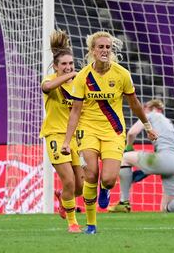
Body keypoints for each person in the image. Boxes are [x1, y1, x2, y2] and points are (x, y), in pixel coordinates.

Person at [60, 31, 158, 234]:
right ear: (92, 51)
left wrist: (148, 127)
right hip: (88, 130)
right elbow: (76, 110)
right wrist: (67, 141)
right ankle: (91, 224)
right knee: (91, 174)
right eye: (101, 47)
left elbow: (135, 104)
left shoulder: (122, 74)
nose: (105, 51)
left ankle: (105, 189)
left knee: (108, 179)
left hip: (114, 131)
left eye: (108, 47)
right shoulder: (83, 76)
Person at [107, 99, 174, 213]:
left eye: (144, 108)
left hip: (164, 159)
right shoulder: (170, 124)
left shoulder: (151, 115)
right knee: (166, 208)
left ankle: (124, 202)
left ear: (151, 108)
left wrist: (128, 147)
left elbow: (132, 133)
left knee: (124, 158)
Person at [39, 30, 84, 233]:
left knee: (79, 187)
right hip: (55, 136)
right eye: (64, 64)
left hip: (75, 138)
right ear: (56, 67)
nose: (68, 67)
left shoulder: (78, 85)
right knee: (69, 180)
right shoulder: (49, 80)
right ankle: (72, 223)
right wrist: (70, 75)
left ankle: (62, 197)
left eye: (71, 64)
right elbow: (47, 87)